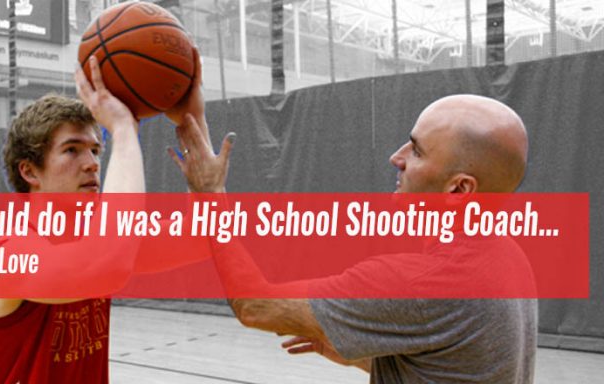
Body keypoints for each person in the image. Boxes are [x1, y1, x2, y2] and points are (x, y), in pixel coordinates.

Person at [173, 94, 537, 383]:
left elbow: (254, 304)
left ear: (458, 189)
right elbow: (458, 367)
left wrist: (210, 193)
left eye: (417, 150)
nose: (397, 157)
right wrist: (365, 359)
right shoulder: (511, 255)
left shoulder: (425, 282)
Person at [0, 49, 217, 382]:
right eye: (72, 149)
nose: (93, 162)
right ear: (30, 171)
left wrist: (193, 123)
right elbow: (106, 266)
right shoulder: (4, 260)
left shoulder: (100, 242)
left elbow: (207, 236)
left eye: (96, 149)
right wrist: (124, 131)